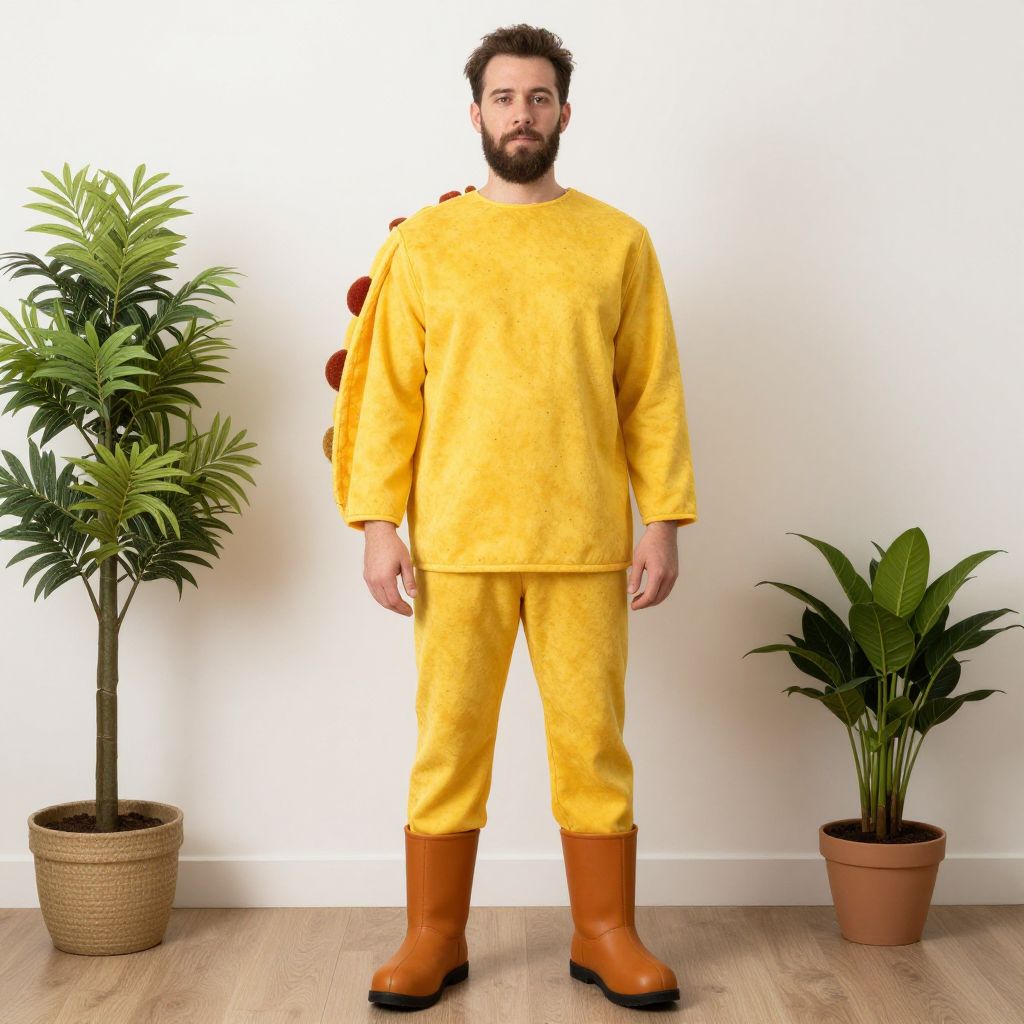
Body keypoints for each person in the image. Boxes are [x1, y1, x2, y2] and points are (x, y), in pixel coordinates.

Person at [331, 23, 698, 1011]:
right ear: (476, 114)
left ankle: (604, 932)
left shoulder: (618, 241)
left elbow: (651, 391)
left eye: (538, 97)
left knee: (593, 748)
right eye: (504, 97)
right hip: (455, 545)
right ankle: (433, 935)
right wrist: (377, 522)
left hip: (585, 541)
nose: (521, 114)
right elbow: (385, 394)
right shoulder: (424, 244)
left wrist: (662, 518)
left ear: (564, 112)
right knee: (448, 745)